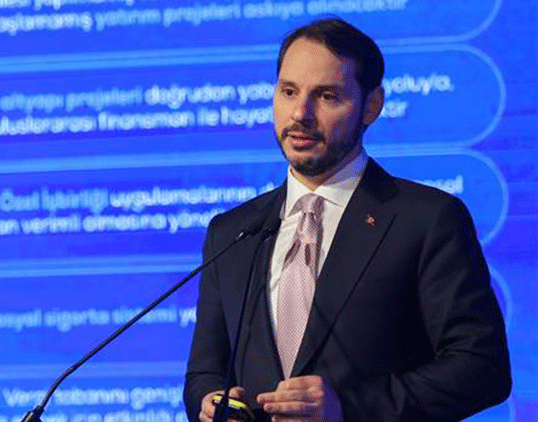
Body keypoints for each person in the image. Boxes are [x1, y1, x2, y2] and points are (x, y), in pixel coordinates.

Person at [184, 18, 511, 422]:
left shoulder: (427, 220)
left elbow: (481, 367)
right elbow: (204, 373)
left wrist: (348, 408)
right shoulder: (232, 232)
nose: (300, 113)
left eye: (327, 96)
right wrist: (210, 402)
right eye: (288, 91)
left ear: (371, 106)